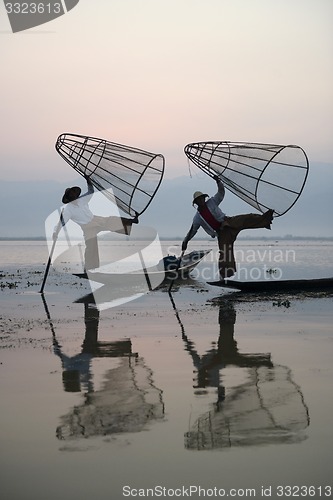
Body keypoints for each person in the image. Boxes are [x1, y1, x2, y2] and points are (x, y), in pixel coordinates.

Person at [181, 176, 274, 280]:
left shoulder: (212, 202)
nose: (201, 201)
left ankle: (266, 219)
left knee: (247, 218)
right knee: (224, 253)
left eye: (202, 199)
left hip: (228, 221)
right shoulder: (197, 217)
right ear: (196, 203)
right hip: (221, 232)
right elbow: (193, 230)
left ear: (204, 198)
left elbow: (221, 193)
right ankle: (223, 276)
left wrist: (218, 181)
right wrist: (185, 241)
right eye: (199, 200)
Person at [54, 175, 139, 270]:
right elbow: (62, 222)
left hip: (95, 219)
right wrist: (55, 232)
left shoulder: (82, 199)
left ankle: (131, 221)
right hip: (87, 227)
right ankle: (90, 268)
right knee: (91, 246)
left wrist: (88, 181)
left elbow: (91, 191)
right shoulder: (68, 209)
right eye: (71, 194)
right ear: (68, 197)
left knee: (111, 220)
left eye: (74, 193)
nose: (73, 195)